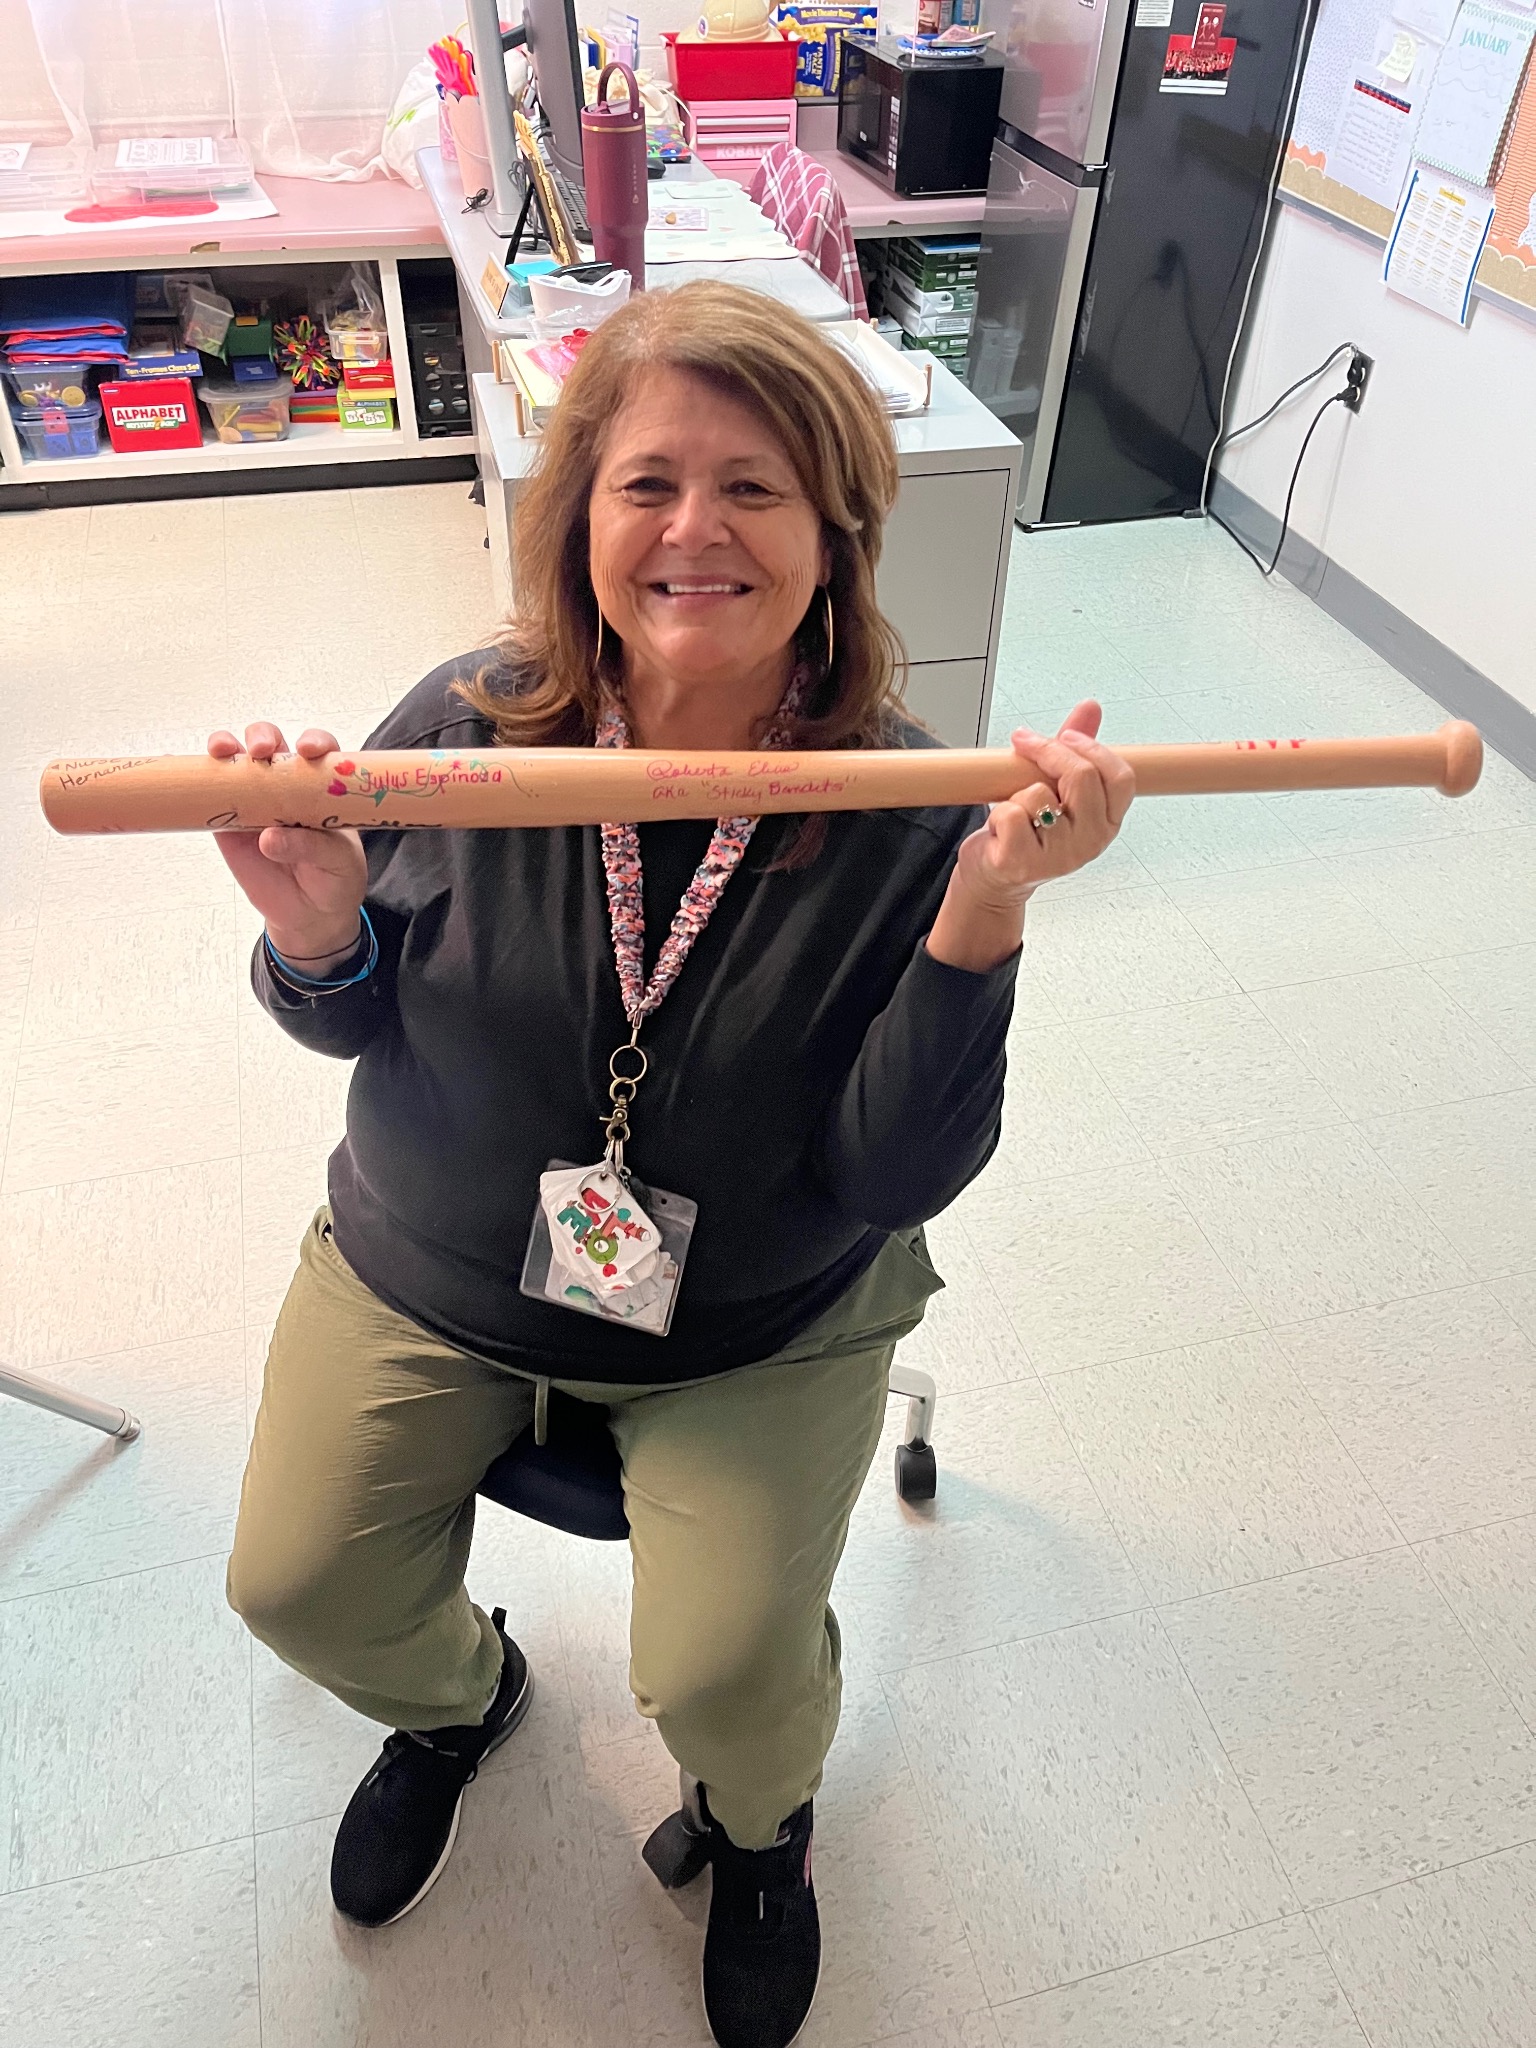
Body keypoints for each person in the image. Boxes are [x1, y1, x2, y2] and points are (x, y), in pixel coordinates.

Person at [219, 280, 1132, 2048]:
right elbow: (344, 1016)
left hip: (757, 1319)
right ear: (581, 519)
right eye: (648, 483)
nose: (695, 530)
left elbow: (893, 1175)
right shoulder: (463, 732)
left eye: (754, 487)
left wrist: (984, 908)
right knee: (294, 1584)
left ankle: (761, 1827)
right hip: (431, 1269)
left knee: (723, 1678)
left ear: (834, 536)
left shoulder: (906, 800)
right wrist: (319, 929)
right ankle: (460, 1704)